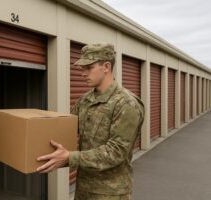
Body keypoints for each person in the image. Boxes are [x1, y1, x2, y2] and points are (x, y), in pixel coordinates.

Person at [37, 43, 145, 200]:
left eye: (89, 68)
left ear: (106, 67)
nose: (83, 73)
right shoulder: (86, 100)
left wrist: (69, 157)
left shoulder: (126, 103)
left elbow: (116, 152)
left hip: (110, 193)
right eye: (83, 68)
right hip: (83, 189)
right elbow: (67, 129)